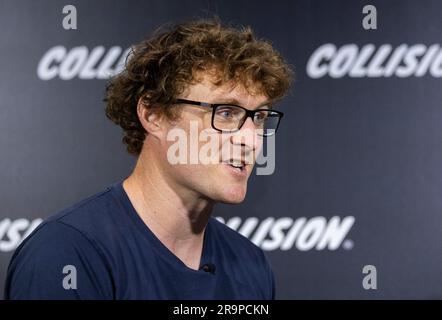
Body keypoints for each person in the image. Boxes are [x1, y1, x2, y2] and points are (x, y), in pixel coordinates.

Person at [4, 18, 293, 299]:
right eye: (227, 113)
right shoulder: (68, 253)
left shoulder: (250, 265)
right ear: (153, 114)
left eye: (259, 118)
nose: (252, 140)